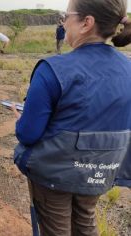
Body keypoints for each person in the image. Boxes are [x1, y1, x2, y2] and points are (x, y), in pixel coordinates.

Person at [11, 0, 131, 235]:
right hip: (100, 171)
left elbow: (28, 133)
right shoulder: (128, 69)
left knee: (56, 229)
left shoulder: (52, 69)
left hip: (53, 175)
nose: (63, 22)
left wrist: (19, 117)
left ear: (87, 23)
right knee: (85, 223)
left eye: (66, 15)